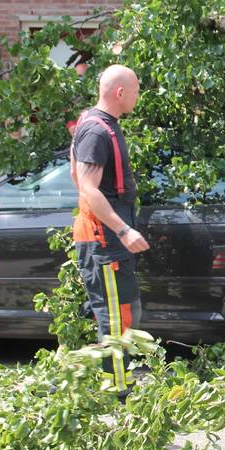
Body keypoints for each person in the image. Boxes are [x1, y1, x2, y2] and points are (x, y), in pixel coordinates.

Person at [71, 65, 149, 395]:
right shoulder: (97, 131)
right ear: (120, 93)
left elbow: (77, 176)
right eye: (135, 90)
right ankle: (117, 392)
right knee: (116, 319)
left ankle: (119, 382)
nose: (137, 96)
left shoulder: (100, 125)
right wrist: (122, 230)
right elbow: (88, 187)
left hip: (105, 239)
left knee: (126, 312)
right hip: (104, 240)